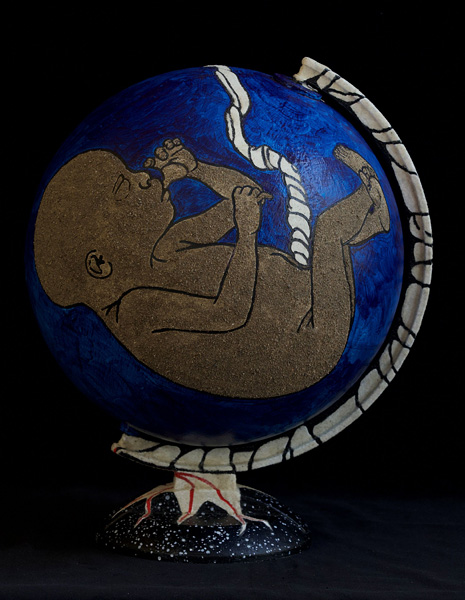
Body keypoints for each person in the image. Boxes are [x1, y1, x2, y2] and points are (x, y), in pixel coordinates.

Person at [34, 139, 390, 398]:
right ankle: (371, 196)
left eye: (132, 172)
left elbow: (248, 195)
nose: (144, 176)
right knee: (328, 231)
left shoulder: (169, 247)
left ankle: (372, 223)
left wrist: (195, 169)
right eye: (123, 188)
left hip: (307, 302)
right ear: (100, 263)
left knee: (331, 243)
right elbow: (229, 312)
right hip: (309, 344)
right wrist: (247, 235)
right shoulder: (133, 312)